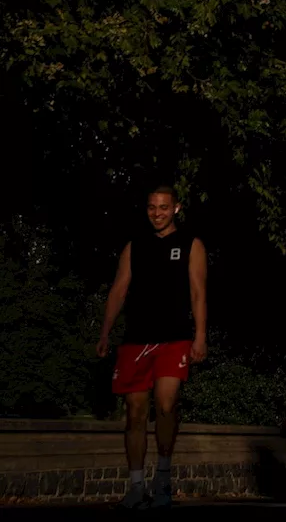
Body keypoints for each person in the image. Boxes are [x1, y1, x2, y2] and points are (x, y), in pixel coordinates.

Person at [97, 186, 208, 509]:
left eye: (163, 207)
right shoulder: (135, 246)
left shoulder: (191, 245)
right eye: (151, 208)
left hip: (174, 338)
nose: (157, 213)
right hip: (136, 339)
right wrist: (105, 332)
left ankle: (163, 474)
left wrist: (200, 336)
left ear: (176, 208)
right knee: (134, 413)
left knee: (166, 404)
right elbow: (118, 290)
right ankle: (135, 485)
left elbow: (198, 292)